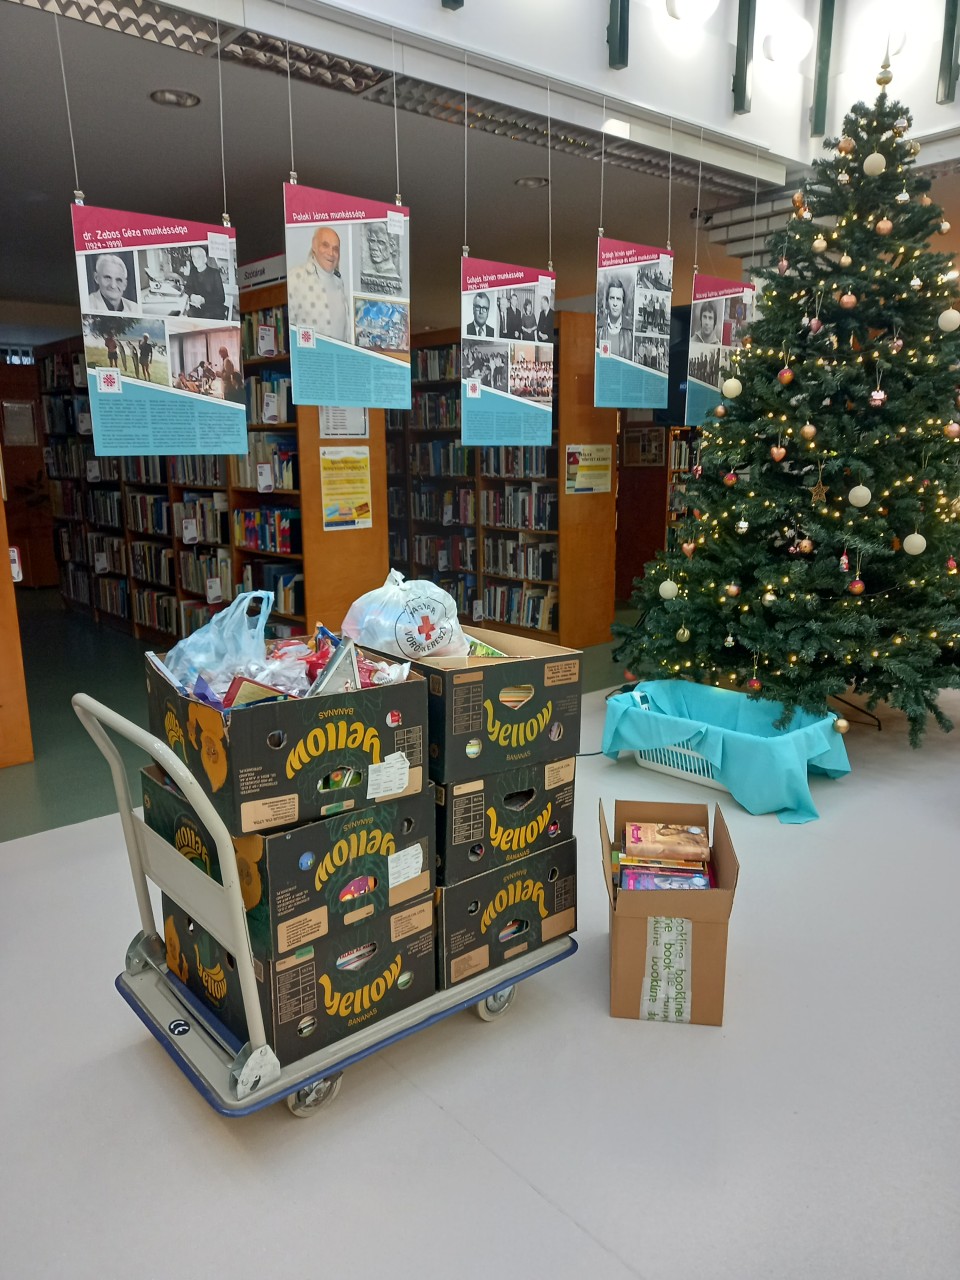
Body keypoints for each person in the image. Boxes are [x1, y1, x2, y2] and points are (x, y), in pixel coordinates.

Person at [287, 225, 351, 342]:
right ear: (314, 246)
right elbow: (288, 328)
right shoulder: (295, 278)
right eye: (325, 245)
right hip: (308, 353)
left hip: (338, 353)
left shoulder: (339, 283)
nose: (331, 253)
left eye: (335, 249)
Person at [183, 246, 226, 320]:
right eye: (193, 257)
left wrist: (204, 300)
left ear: (205, 259)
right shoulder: (193, 271)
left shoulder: (214, 273)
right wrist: (192, 295)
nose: (196, 259)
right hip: (198, 309)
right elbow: (188, 287)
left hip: (213, 310)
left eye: (199, 256)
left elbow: (221, 298)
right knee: (188, 314)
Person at [597, 277, 631, 357]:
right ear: (607, 301)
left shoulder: (630, 331)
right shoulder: (598, 329)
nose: (615, 303)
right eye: (612, 298)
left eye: (618, 299)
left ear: (623, 303)